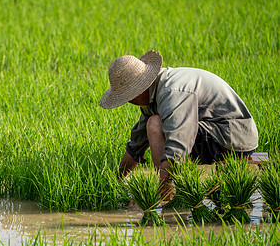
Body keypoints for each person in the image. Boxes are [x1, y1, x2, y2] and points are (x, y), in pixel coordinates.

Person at [100, 50, 258, 199]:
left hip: (233, 136)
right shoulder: (153, 93)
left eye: (127, 97)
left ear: (139, 91)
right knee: (152, 123)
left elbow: (178, 148)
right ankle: (167, 191)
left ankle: (167, 196)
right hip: (217, 131)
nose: (127, 101)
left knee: (155, 125)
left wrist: (156, 195)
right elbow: (137, 144)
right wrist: (114, 183)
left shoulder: (171, 93)